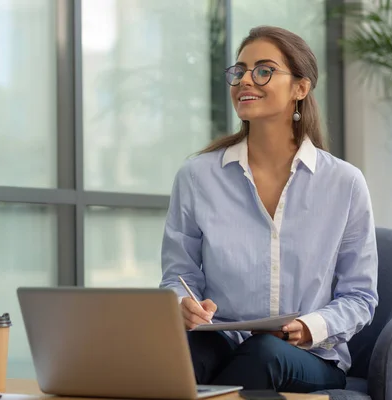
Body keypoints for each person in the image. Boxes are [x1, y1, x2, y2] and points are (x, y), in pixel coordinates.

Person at [159, 25, 379, 393]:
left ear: (300, 88)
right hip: (221, 341)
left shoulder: (344, 182)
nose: (246, 80)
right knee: (177, 353)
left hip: (309, 355)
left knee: (263, 353)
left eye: (263, 70)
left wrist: (311, 326)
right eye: (239, 70)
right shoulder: (197, 176)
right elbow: (178, 274)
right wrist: (184, 304)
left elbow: (361, 296)